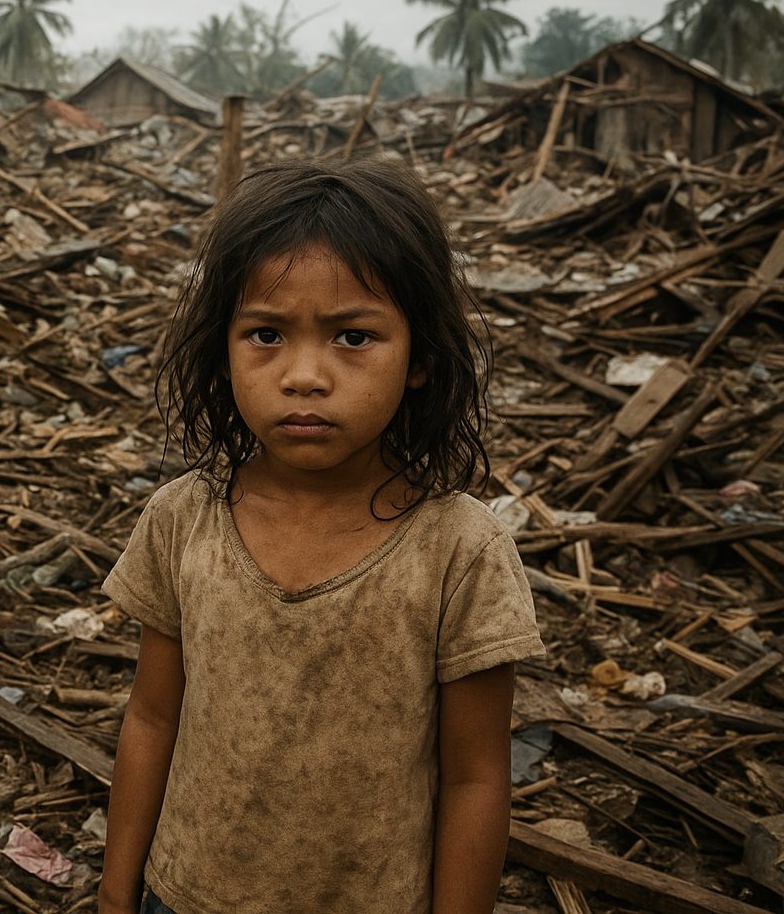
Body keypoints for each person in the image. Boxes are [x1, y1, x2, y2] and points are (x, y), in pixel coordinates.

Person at [97, 156, 544, 914]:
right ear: (224, 350)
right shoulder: (184, 519)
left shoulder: (458, 551)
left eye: (353, 337)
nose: (305, 375)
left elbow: (474, 778)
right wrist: (115, 893)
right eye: (266, 334)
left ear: (421, 360)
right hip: (183, 896)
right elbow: (152, 716)